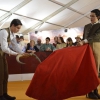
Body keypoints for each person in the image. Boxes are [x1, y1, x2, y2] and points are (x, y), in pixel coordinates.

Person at [0, 19, 25, 100]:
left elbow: (15, 46)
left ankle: (4, 94)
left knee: (5, 75)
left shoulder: (12, 34)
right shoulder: (4, 32)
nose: (18, 30)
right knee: (0, 76)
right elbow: (4, 48)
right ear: (12, 25)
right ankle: (0, 96)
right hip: (1, 53)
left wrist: (22, 53)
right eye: (17, 28)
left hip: (2, 55)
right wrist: (16, 54)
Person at [78, 9, 100, 99]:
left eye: (93, 16)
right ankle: (89, 91)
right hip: (87, 48)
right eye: (90, 16)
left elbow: (97, 36)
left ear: (98, 17)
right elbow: (84, 37)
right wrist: (82, 42)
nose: (91, 18)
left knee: (96, 70)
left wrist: (84, 41)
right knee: (88, 69)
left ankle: (95, 90)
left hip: (97, 47)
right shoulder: (86, 26)